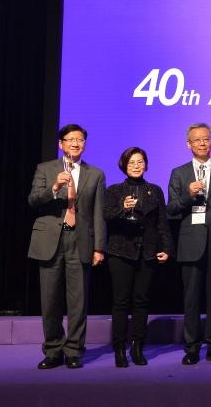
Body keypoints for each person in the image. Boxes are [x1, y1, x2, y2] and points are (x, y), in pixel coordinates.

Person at [27, 124, 106, 369]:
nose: (75, 143)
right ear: (61, 144)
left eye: (80, 139)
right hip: (50, 240)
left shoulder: (96, 174)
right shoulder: (45, 169)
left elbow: (98, 214)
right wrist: (54, 188)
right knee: (49, 300)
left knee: (78, 302)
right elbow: (33, 201)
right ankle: (52, 350)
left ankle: (73, 350)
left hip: (80, 240)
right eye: (70, 139)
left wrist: (99, 247)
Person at [167, 122, 211, 365]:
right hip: (191, 243)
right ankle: (191, 348)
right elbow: (172, 209)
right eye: (196, 140)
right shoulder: (179, 173)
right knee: (191, 299)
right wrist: (189, 195)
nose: (202, 143)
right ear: (189, 144)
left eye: (206, 139)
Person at [103, 147, 174, 367]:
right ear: (124, 165)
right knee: (121, 301)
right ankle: (119, 349)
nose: (136, 165)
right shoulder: (114, 191)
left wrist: (167, 248)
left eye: (140, 161)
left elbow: (162, 222)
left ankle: (137, 346)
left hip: (148, 252)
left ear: (146, 165)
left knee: (142, 301)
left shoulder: (155, 190)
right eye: (132, 162)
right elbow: (106, 216)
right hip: (120, 251)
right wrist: (122, 209)